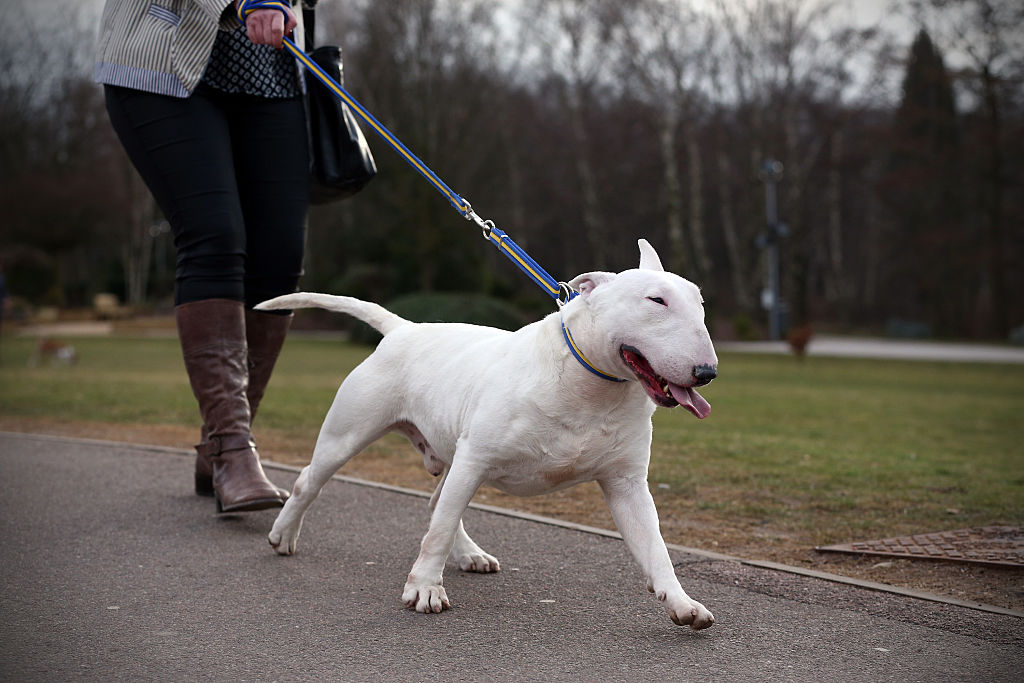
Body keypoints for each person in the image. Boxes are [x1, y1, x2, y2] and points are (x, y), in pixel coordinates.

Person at [96, 1, 316, 512]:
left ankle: (219, 445)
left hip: (274, 71)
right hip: (162, 60)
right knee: (214, 236)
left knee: (281, 258)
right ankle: (232, 448)